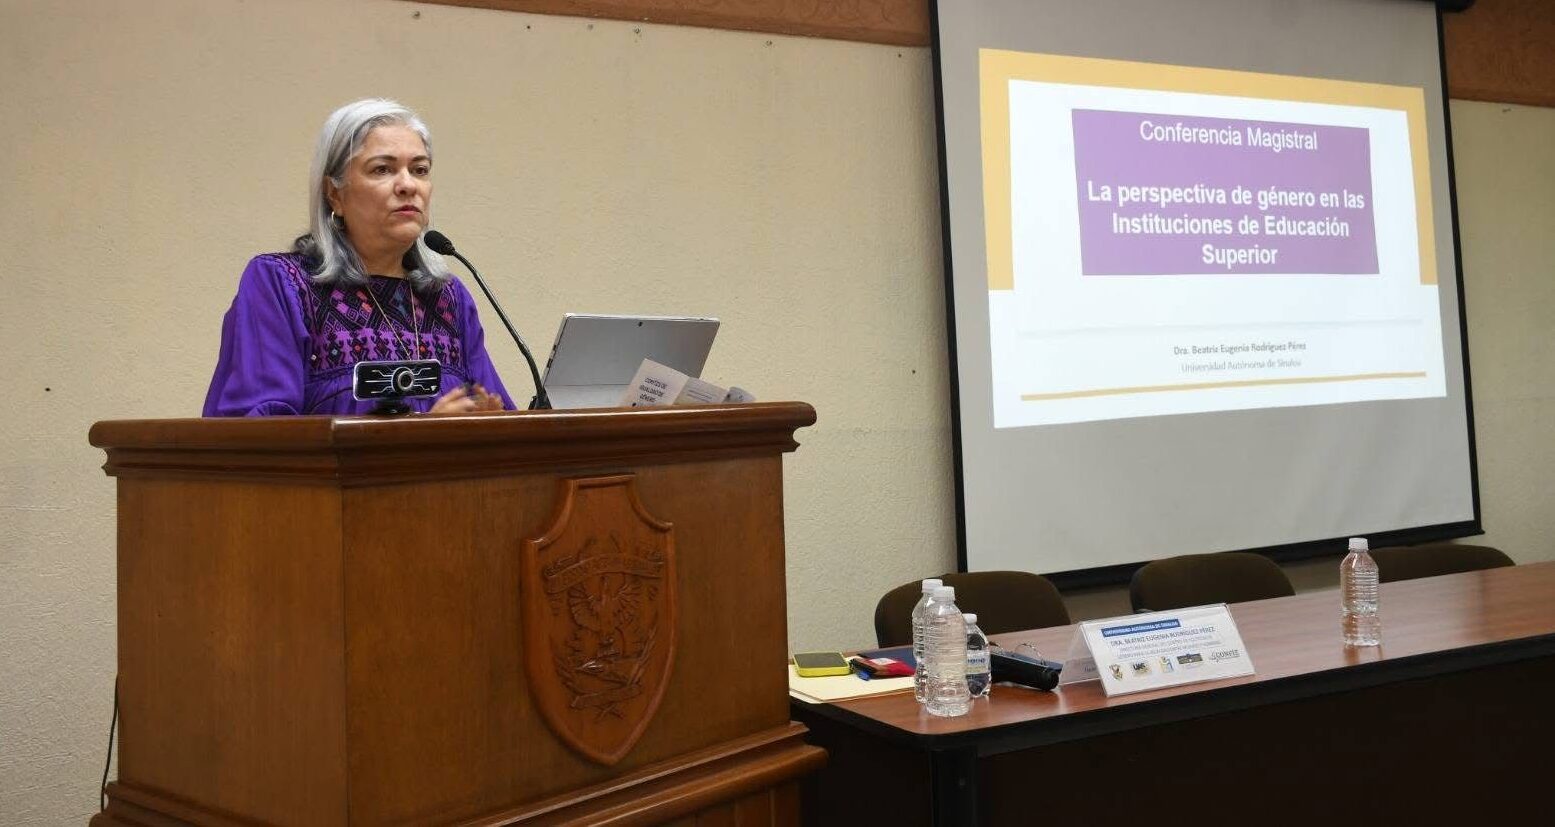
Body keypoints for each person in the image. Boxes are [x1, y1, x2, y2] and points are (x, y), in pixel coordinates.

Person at [203, 99, 514, 416]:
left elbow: (500, 417)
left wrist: (489, 420)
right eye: (383, 169)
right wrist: (421, 436)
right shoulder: (283, 286)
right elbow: (263, 436)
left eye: (419, 170)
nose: (408, 185)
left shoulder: (447, 299)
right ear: (335, 194)